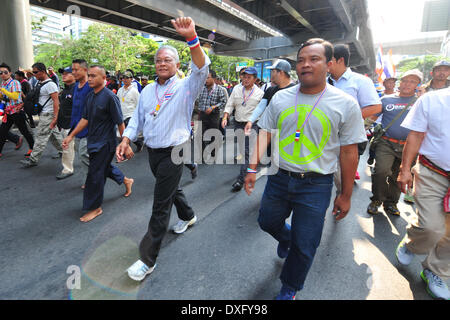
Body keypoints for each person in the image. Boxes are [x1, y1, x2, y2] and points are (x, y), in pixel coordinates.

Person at [244, 38, 367, 300]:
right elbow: (265, 133)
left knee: (306, 243)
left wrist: (345, 194)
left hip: (317, 184)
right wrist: (251, 169)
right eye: (301, 60)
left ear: (330, 64)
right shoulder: (281, 98)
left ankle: (290, 287)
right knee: (266, 221)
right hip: (279, 177)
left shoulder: (345, 103)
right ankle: (285, 238)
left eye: (314, 59)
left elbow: (349, 152)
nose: (305, 65)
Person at [116, 16, 209, 281]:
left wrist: (192, 38)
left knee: (160, 204)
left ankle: (147, 260)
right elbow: (137, 119)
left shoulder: (186, 86)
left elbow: (202, 68)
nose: (162, 63)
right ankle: (188, 215)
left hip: (176, 150)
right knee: (170, 190)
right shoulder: (146, 91)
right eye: (158, 60)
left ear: (178, 65)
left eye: (168, 60)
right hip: (153, 152)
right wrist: (126, 138)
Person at [396, 87, 450, 300]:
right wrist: (405, 169)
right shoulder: (432, 99)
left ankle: (434, 271)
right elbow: (416, 135)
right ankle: (411, 242)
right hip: (433, 172)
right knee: (431, 228)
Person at [62, 65, 134, 223]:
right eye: (89, 76)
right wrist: (71, 136)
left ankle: (95, 208)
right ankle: (126, 180)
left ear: (104, 78)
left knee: (94, 176)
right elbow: (85, 119)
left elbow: (120, 122)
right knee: (102, 168)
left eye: (94, 76)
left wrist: (125, 143)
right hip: (92, 141)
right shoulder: (90, 96)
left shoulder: (109, 97)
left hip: (105, 144)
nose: (90, 79)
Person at [366, 69, 422, 216]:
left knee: (398, 175)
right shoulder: (386, 100)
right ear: (400, 82)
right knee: (381, 171)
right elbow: (371, 118)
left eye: (412, 81)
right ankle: (377, 199)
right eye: (405, 80)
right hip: (386, 143)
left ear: (418, 85)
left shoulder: (420, 102)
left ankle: (391, 203)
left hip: (408, 147)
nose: (408, 84)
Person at [328, 43, 381, 181]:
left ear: (340, 60)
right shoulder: (323, 82)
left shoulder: (360, 81)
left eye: (329, 59)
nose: (325, 63)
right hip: (325, 137)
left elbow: (375, 107)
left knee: (342, 180)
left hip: (348, 138)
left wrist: (346, 119)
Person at [222, 67, 264, 192]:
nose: (245, 79)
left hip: (252, 125)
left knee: (247, 152)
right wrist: (225, 116)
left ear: (255, 79)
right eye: (244, 77)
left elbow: (262, 111)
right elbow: (230, 104)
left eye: (248, 77)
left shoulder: (260, 93)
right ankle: (247, 169)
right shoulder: (236, 89)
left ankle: (241, 180)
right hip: (238, 124)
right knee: (243, 150)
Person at [20, 62, 63, 168]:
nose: (33, 74)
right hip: (44, 114)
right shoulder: (39, 83)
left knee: (40, 137)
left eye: (35, 72)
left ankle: (33, 160)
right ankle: (64, 151)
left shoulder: (51, 85)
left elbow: (56, 101)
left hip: (48, 114)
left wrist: (55, 117)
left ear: (43, 72)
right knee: (55, 136)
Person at [244, 59, 294, 135]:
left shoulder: (295, 91)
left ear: (281, 73)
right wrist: (251, 121)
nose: (271, 74)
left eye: (273, 72)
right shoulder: (270, 90)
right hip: (269, 132)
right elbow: (261, 106)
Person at [0, 63, 34, 159]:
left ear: (10, 73)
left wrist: (3, 90)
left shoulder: (14, 83)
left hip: (17, 111)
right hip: (8, 112)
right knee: (2, 131)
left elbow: (15, 96)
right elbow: (4, 97)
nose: (3, 74)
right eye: (0, 73)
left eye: (5, 72)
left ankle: (32, 148)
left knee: (24, 131)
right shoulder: (3, 83)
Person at [68, 59, 92, 184]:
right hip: (77, 127)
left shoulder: (91, 86)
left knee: (84, 154)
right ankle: (90, 179)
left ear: (85, 70)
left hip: (89, 129)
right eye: (72, 69)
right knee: (84, 157)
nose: (73, 72)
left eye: (76, 69)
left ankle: (93, 182)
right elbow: (75, 108)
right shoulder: (76, 86)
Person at [196, 69, 228, 159]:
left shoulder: (219, 89)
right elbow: (198, 100)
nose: (205, 80)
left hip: (214, 115)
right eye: (204, 78)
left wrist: (213, 107)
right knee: (200, 135)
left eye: (208, 78)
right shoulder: (201, 88)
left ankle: (213, 151)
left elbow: (223, 102)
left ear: (213, 78)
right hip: (202, 115)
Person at [56, 66, 76, 180]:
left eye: (66, 73)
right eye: (62, 73)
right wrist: (58, 121)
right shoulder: (65, 90)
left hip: (73, 125)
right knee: (72, 148)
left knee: (68, 147)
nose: (63, 75)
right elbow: (62, 107)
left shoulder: (77, 89)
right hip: (65, 123)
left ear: (74, 75)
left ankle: (67, 169)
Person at [117, 71, 143, 152]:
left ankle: (125, 150)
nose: (125, 80)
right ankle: (138, 143)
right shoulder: (120, 90)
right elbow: (117, 102)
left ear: (131, 79)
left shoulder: (134, 91)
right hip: (121, 115)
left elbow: (139, 104)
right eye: (123, 78)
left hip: (130, 115)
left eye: (127, 78)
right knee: (123, 135)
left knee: (127, 134)